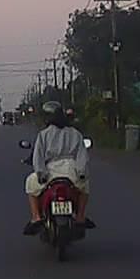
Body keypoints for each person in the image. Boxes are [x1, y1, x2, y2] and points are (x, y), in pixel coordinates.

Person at [23, 101, 95, 235]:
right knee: (85, 186)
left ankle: (36, 217)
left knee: (30, 184)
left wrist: (41, 174)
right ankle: (80, 216)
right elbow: (82, 157)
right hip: (71, 171)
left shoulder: (44, 134)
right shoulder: (76, 134)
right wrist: (81, 173)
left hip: (51, 171)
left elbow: (38, 158)